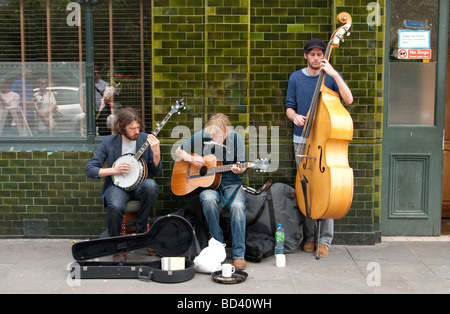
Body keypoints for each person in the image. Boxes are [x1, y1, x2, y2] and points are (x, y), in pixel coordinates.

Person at [285, 38, 353, 258]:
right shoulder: (296, 77)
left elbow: (348, 99)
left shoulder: (331, 76)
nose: (316, 58)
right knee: (307, 187)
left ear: (324, 55)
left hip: (325, 143)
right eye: (312, 54)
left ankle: (324, 239)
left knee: (327, 188)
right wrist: (294, 116)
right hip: (302, 140)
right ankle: (310, 237)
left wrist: (334, 74)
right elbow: (289, 107)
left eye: (319, 54)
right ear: (305, 55)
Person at [86, 107, 161, 262]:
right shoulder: (109, 142)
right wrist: (114, 170)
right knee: (115, 206)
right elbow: (90, 169)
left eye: (138, 127)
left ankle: (141, 228)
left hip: (140, 185)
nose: (136, 131)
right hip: (117, 186)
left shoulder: (145, 140)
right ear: (122, 127)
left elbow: (157, 172)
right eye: (131, 128)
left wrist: (156, 153)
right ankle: (116, 248)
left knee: (151, 186)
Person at [175, 113, 247, 270]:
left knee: (238, 207)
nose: (216, 140)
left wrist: (238, 170)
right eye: (213, 136)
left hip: (230, 183)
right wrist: (191, 159)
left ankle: (239, 254)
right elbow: (178, 151)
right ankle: (217, 244)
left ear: (227, 131)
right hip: (209, 184)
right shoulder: (205, 135)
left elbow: (242, 166)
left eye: (219, 136)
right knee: (207, 199)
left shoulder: (236, 139)